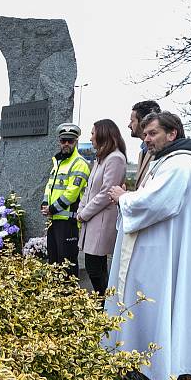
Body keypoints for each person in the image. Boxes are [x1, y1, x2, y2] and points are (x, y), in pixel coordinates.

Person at [105, 111, 191, 380]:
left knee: (155, 303)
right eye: (145, 133)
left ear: (172, 134)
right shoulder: (166, 161)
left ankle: (153, 363)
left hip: (162, 251)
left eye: (153, 134)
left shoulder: (181, 164)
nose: (146, 139)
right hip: (155, 245)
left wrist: (124, 197)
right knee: (149, 304)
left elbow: (157, 203)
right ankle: (141, 357)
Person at [76, 119, 127, 298]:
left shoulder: (115, 158)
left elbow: (107, 192)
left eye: (92, 133)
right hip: (93, 220)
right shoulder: (101, 159)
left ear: (103, 134)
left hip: (101, 222)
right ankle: (104, 308)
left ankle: (105, 308)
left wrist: (84, 213)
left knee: (95, 269)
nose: (90, 138)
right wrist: (81, 210)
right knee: (96, 268)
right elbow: (89, 189)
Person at [41, 123, 91, 278]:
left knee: (67, 263)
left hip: (69, 222)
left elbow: (72, 193)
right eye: (64, 140)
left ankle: (69, 298)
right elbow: (49, 186)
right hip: (54, 220)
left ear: (76, 141)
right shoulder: (58, 163)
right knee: (53, 261)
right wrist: (44, 204)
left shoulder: (79, 163)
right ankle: (55, 298)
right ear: (59, 141)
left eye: (70, 140)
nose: (66, 144)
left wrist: (52, 208)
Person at [128, 100, 161, 188]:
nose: (129, 125)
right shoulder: (143, 152)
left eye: (132, 121)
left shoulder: (160, 151)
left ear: (143, 121)